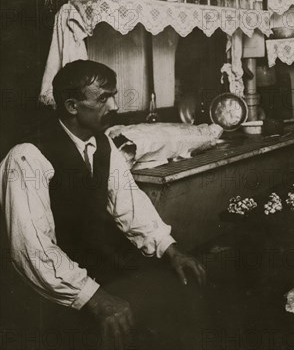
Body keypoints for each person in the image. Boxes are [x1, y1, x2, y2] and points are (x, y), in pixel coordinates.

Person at [0, 60, 208, 350]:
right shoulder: (27, 156)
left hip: (97, 266)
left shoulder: (103, 144)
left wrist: (171, 250)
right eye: (102, 98)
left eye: (113, 95)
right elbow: (32, 250)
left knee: (182, 288)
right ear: (72, 105)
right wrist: (95, 298)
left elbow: (130, 205)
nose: (113, 106)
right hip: (47, 287)